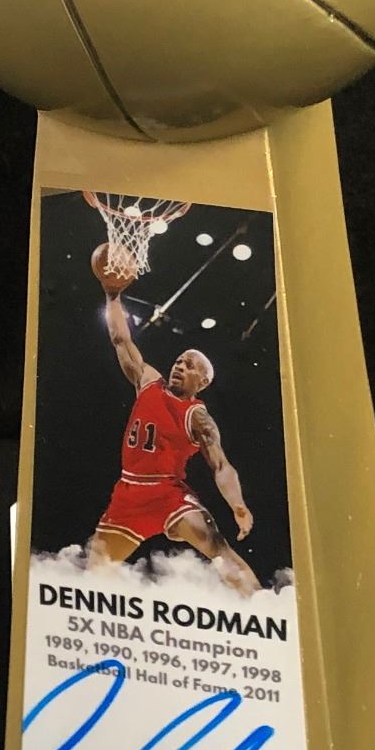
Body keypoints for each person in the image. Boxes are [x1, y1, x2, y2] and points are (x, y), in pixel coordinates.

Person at [84, 244, 261, 594]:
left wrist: (237, 505)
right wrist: (112, 295)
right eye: (180, 360)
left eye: (190, 365)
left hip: (168, 493)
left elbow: (221, 466)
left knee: (216, 547)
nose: (180, 365)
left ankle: (263, 606)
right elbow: (120, 339)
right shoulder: (147, 381)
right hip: (128, 492)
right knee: (93, 576)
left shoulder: (198, 416)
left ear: (202, 382)